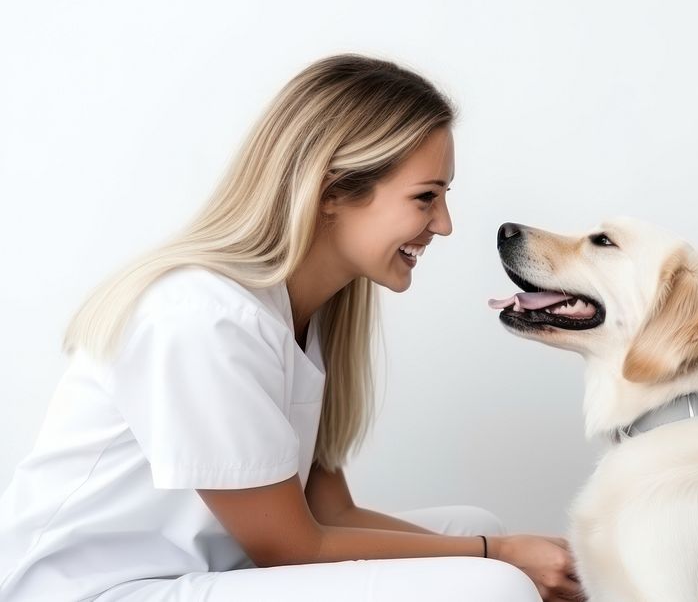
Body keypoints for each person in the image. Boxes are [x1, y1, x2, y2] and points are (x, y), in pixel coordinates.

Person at [0, 55, 583, 601]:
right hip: (104, 590)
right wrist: (499, 558)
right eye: (426, 197)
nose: (445, 225)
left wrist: (493, 548)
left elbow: (331, 517)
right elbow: (290, 547)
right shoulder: (205, 317)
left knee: (478, 532)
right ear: (331, 191)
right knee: (492, 583)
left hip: (202, 571)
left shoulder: (303, 316)